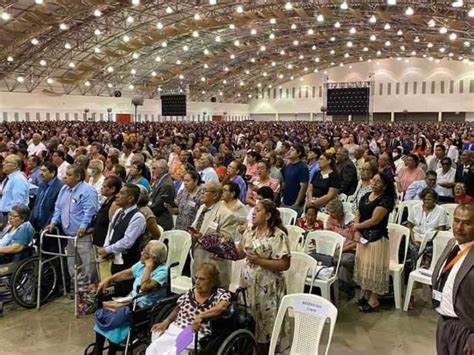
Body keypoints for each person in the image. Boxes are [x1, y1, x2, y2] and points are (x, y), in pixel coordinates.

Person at [93, 240, 168, 355]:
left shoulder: (162, 271)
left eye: (145, 252)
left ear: (152, 258)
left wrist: (148, 267)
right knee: (105, 312)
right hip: (131, 302)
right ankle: (97, 350)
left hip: (144, 309)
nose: (141, 252)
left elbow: (144, 287)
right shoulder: (140, 265)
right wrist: (108, 279)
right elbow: (125, 274)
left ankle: (111, 351)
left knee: (112, 318)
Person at [236, 199, 291, 355]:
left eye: (258, 210)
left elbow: (285, 264)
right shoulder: (249, 231)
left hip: (267, 289)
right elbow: (241, 252)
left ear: (267, 215)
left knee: (266, 329)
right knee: (250, 324)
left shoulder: (278, 235)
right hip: (248, 287)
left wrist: (260, 261)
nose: (253, 213)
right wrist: (224, 252)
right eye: (254, 210)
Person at [146, 263, 231, 355]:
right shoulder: (191, 292)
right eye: (196, 278)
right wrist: (166, 322)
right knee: (154, 348)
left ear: (213, 281)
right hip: (176, 328)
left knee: (174, 352)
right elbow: (178, 308)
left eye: (202, 279)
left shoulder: (221, 294)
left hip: (195, 333)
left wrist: (201, 315)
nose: (197, 282)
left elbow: (222, 307)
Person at [46, 165, 99, 290]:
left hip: (83, 234)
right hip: (69, 234)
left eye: (69, 175)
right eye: (66, 174)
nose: (65, 177)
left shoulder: (87, 190)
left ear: (78, 177)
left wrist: (83, 227)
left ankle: (88, 288)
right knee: (72, 263)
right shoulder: (64, 189)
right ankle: (77, 288)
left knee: (87, 263)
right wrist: (54, 222)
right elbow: (58, 207)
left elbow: (90, 211)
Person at [432, 204, 474, 355]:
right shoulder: (452, 244)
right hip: (443, 323)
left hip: (465, 328)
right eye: (456, 221)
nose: (459, 227)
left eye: (467, 223)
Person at [353, 173, 396, 312]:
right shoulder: (366, 196)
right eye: (374, 179)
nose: (374, 182)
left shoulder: (385, 200)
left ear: (384, 186)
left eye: (378, 181)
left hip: (377, 238)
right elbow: (358, 213)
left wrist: (356, 227)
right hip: (362, 237)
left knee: (374, 268)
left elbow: (374, 220)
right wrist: (357, 231)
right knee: (364, 267)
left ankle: (374, 298)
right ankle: (364, 294)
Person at [98, 184, 146, 296]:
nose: (117, 196)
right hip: (116, 258)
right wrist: (106, 248)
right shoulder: (119, 212)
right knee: (113, 288)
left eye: (122, 193)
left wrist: (108, 249)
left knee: (124, 290)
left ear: (131, 198)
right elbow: (110, 231)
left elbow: (127, 242)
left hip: (129, 259)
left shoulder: (138, 217)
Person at [189, 182, 237, 288]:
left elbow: (227, 245)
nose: (201, 193)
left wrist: (202, 238)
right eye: (201, 190)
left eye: (205, 191)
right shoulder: (202, 208)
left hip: (214, 269)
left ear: (215, 195)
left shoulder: (226, 215)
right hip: (198, 263)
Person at [326, 199, 357, 299]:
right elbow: (328, 235)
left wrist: (342, 250)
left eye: (333, 213)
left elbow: (356, 242)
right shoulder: (330, 219)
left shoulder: (352, 221)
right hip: (334, 248)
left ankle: (343, 288)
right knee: (333, 261)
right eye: (330, 213)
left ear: (340, 212)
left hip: (350, 249)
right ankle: (341, 289)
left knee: (344, 260)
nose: (331, 215)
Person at [30, 162, 64, 234]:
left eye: (44, 171)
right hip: (36, 224)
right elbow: (37, 204)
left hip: (49, 226)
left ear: (53, 173)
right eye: (41, 170)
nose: (41, 173)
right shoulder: (42, 184)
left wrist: (48, 224)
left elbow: (57, 209)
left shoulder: (60, 187)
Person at [0, 154, 29, 228]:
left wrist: (12, 219)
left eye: (7, 162)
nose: (3, 164)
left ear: (15, 165)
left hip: (12, 216)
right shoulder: (10, 178)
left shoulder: (18, 180)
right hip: (6, 215)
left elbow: (18, 202)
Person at [92, 176, 122, 247]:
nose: (102, 188)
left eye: (104, 186)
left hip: (104, 242)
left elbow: (112, 226)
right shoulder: (107, 200)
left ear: (112, 189)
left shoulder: (114, 204)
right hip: (98, 239)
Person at [281, 144, 309, 215]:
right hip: (285, 200)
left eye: (292, 150)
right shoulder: (288, 166)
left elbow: (303, 187)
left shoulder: (303, 168)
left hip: (294, 203)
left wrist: (296, 203)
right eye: (289, 150)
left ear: (299, 153)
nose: (289, 152)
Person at [149, 159, 175, 231]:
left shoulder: (166, 184)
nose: (152, 171)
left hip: (162, 221)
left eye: (154, 168)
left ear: (162, 169)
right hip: (156, 219)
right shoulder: (160, 180)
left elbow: (158, 206)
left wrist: (146, 212)